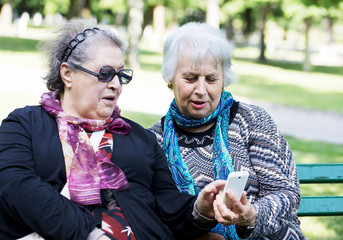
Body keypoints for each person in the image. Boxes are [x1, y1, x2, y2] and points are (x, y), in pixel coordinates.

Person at [0, 19, 225, 240]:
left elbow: (168, 205)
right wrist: (91, 235)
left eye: (121, 75)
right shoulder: (24, 125)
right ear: (67, 74)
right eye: (105, 73)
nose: (116, 85)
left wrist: (201, 209)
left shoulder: (140, 137)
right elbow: (17, 188)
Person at [149, 22, 306, 240]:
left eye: (211, 79)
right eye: (190, 78)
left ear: (223, 80)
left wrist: (252, 216)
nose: (201, 90)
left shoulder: (252, 121)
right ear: (170, 78)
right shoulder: (153, 141)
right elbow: (155, 215)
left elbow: (286, 194)